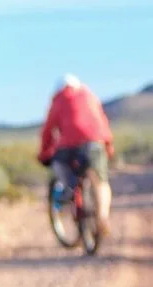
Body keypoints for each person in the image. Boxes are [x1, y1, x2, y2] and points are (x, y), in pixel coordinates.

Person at [38, 74, 115, 235]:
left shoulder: (59, 99)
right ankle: (102, 216)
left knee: (60, 165)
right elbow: (102, 123)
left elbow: (48, 130)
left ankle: (69, 189)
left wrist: (44, 153)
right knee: (101, 181)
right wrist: (108, 147)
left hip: (68, 146)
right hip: (96, 142)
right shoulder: (90, 96)